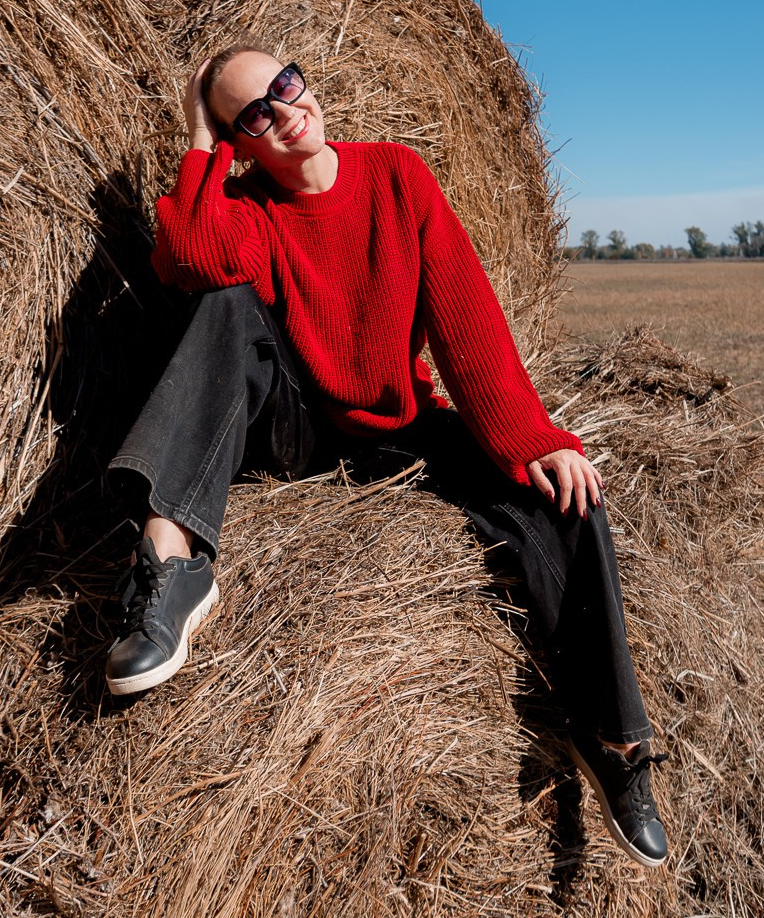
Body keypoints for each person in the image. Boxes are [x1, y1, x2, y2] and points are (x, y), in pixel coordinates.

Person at [104, 44, 668, 868]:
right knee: (224, 301)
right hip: (300, 427)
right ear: (241, 142)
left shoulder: (397, 175)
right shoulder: (251, 209)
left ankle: (613, 744)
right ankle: (170, 560)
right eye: (254, 113)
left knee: (567, 499)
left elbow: (463, 316)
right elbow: (190, 253)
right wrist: (197, 136)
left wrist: (529, 437)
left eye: (286, 86)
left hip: (402, 426)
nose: (285, 110)